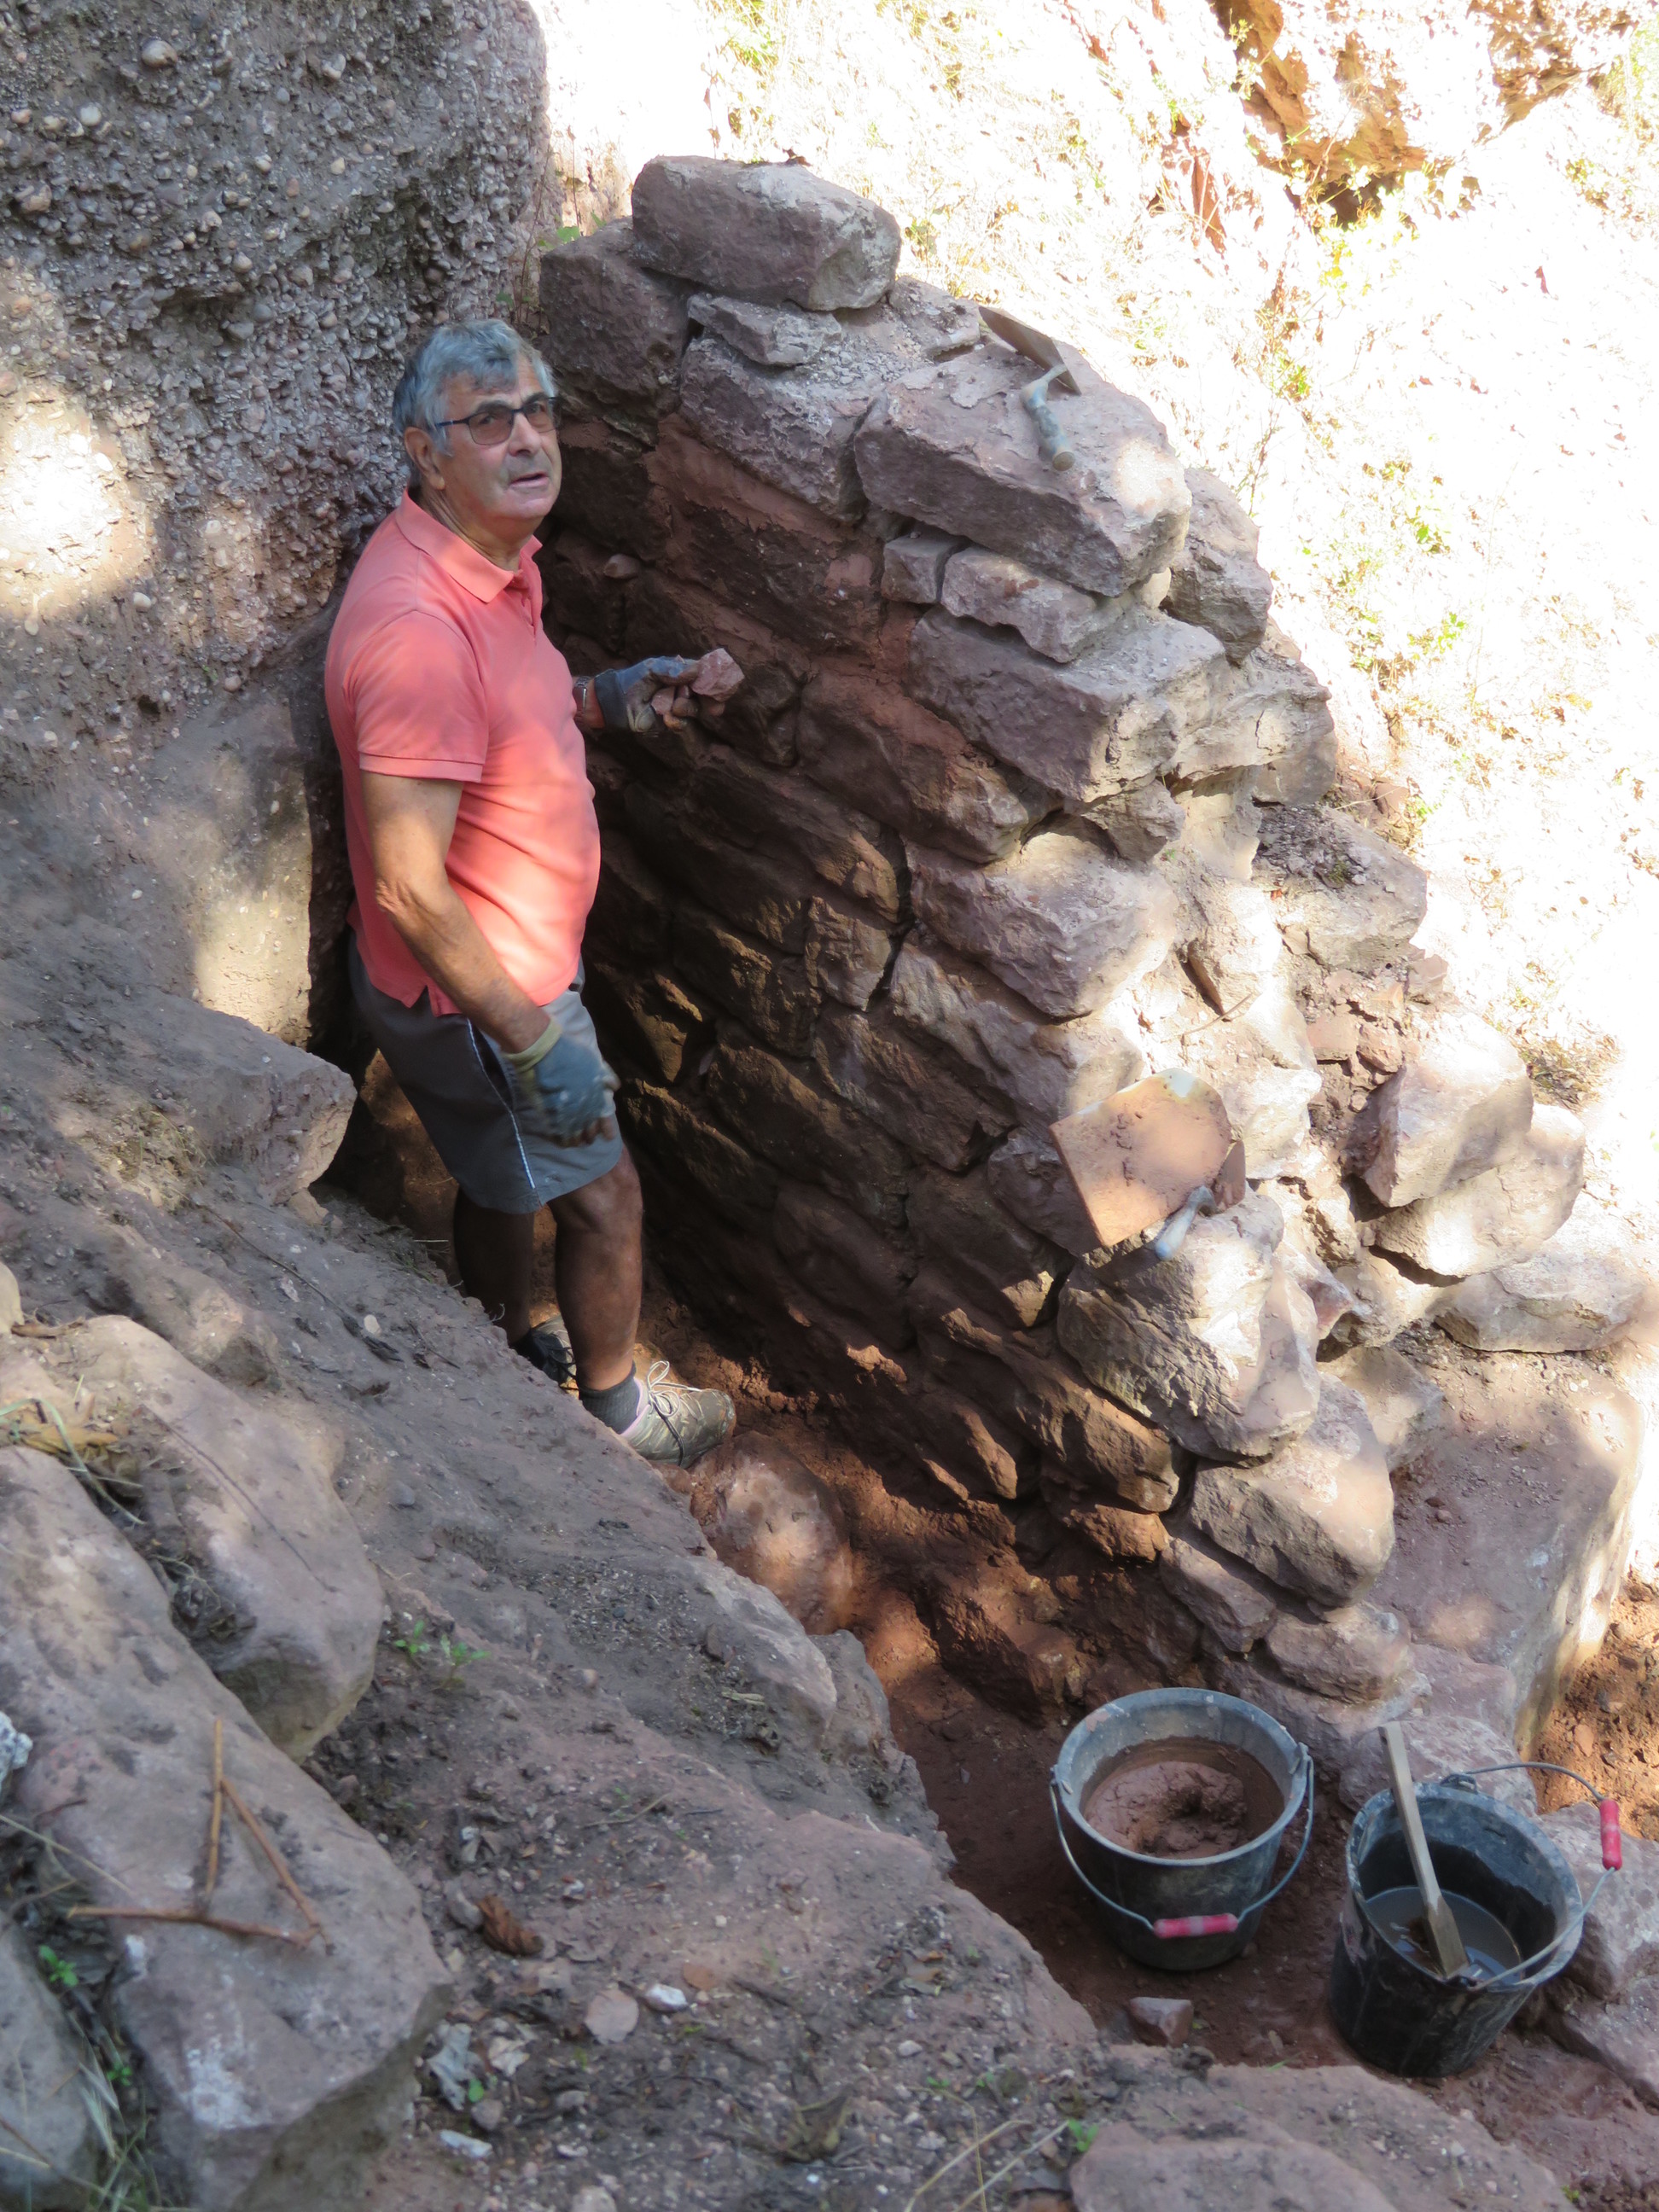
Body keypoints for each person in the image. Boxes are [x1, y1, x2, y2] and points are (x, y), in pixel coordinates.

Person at [323, 318, 734, 1466]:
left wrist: (604, 697)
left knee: (499, 1175)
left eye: (540, 411)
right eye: (490, 420)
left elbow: (498, 725)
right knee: (606, 1197)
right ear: (424, 452)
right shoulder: (419, 631)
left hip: (505, 971)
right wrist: (533, 1039)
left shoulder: (489, 565)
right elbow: (412, 889)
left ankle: (505, 1340)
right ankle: (618, 1415)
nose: (528, 437)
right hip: (486, 996)